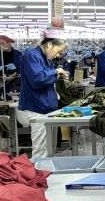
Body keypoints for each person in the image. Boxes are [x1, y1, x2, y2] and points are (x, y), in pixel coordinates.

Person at [18, 31, 69, 159]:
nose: (58, 55)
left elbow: (47, 77)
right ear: (49, 44)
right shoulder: (31, 56)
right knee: (41, 150)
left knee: (49, 148)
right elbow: (37, 79)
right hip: (37, 109)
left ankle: (46, 170)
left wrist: (58, 76)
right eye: (58, 51)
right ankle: (37, 170)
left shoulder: (45, 58)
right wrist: (55, 72)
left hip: (47, 108)